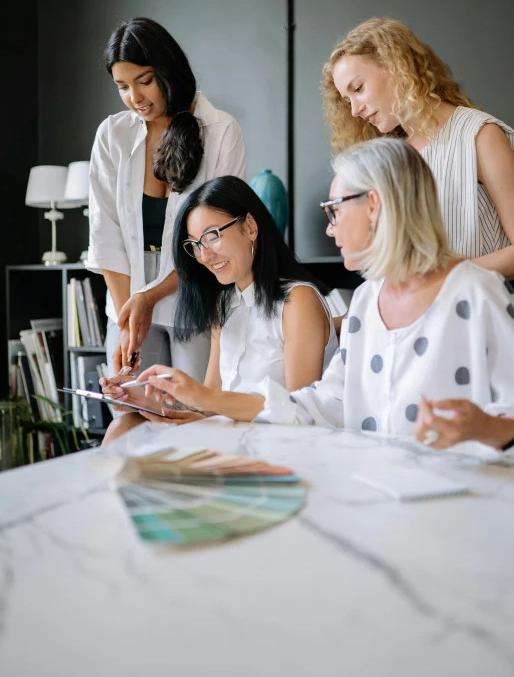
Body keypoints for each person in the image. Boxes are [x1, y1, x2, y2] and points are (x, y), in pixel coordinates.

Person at [131, 139, 514, 451]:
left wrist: (480, 427)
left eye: (334, 211)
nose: (329, 231)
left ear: (374, 206)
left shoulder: (476, 292)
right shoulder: (365, 303)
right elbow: (316, 404)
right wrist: (199, 397)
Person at [101, 176, 337, 442]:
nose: (204, 256)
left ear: (249, 227)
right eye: (195, 245)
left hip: (277, 445)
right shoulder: (224, 305)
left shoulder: (298, 301)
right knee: (123, 427)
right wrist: (141, 397)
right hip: (229, 439)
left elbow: (299, 415)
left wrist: (203, 399)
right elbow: (208, 409)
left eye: (211, 236)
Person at [87, 17, 246, 383]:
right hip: (128, 295)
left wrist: (150, 297)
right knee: (129, 412)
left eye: (144, 81)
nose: (135, 98)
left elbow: (217, 237)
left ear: (168, 71)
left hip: (194, 296)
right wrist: (127, 316)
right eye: (123, 86)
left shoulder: (220, 131)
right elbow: (105, 235)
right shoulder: (112, 135)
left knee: (193, 417)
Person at [321, 17, 514, 279]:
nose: (355, 110)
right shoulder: (396, 157)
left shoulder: (480, 136)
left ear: (395, 65)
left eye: (358, 88)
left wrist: (438, 278)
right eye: (347, 101)